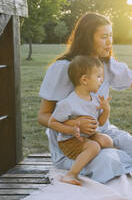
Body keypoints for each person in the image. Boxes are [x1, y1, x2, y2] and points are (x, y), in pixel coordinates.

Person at [38, 12, 132, 183]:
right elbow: (43, 115)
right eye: (104, 37)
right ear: (87, 38)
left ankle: (114, 154)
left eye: (111, 36)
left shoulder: (107, 65)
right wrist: (75, 124)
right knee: (108, 161)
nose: (109, 42)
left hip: (102, 131)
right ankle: (106, 158)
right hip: (72, 140)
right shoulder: (63, 68)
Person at [48, 56, 114, 185]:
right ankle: (71, 174)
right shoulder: (68, 103)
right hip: (69, 141)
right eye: (99, 76)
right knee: (94, 146)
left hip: (87, 136)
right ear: (84, 79)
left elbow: (100, 122)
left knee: (106, 140)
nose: (102, 80)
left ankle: (109, 157)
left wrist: (106, 109)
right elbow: (52, 122)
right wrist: (71, 130)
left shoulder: (94, 99)